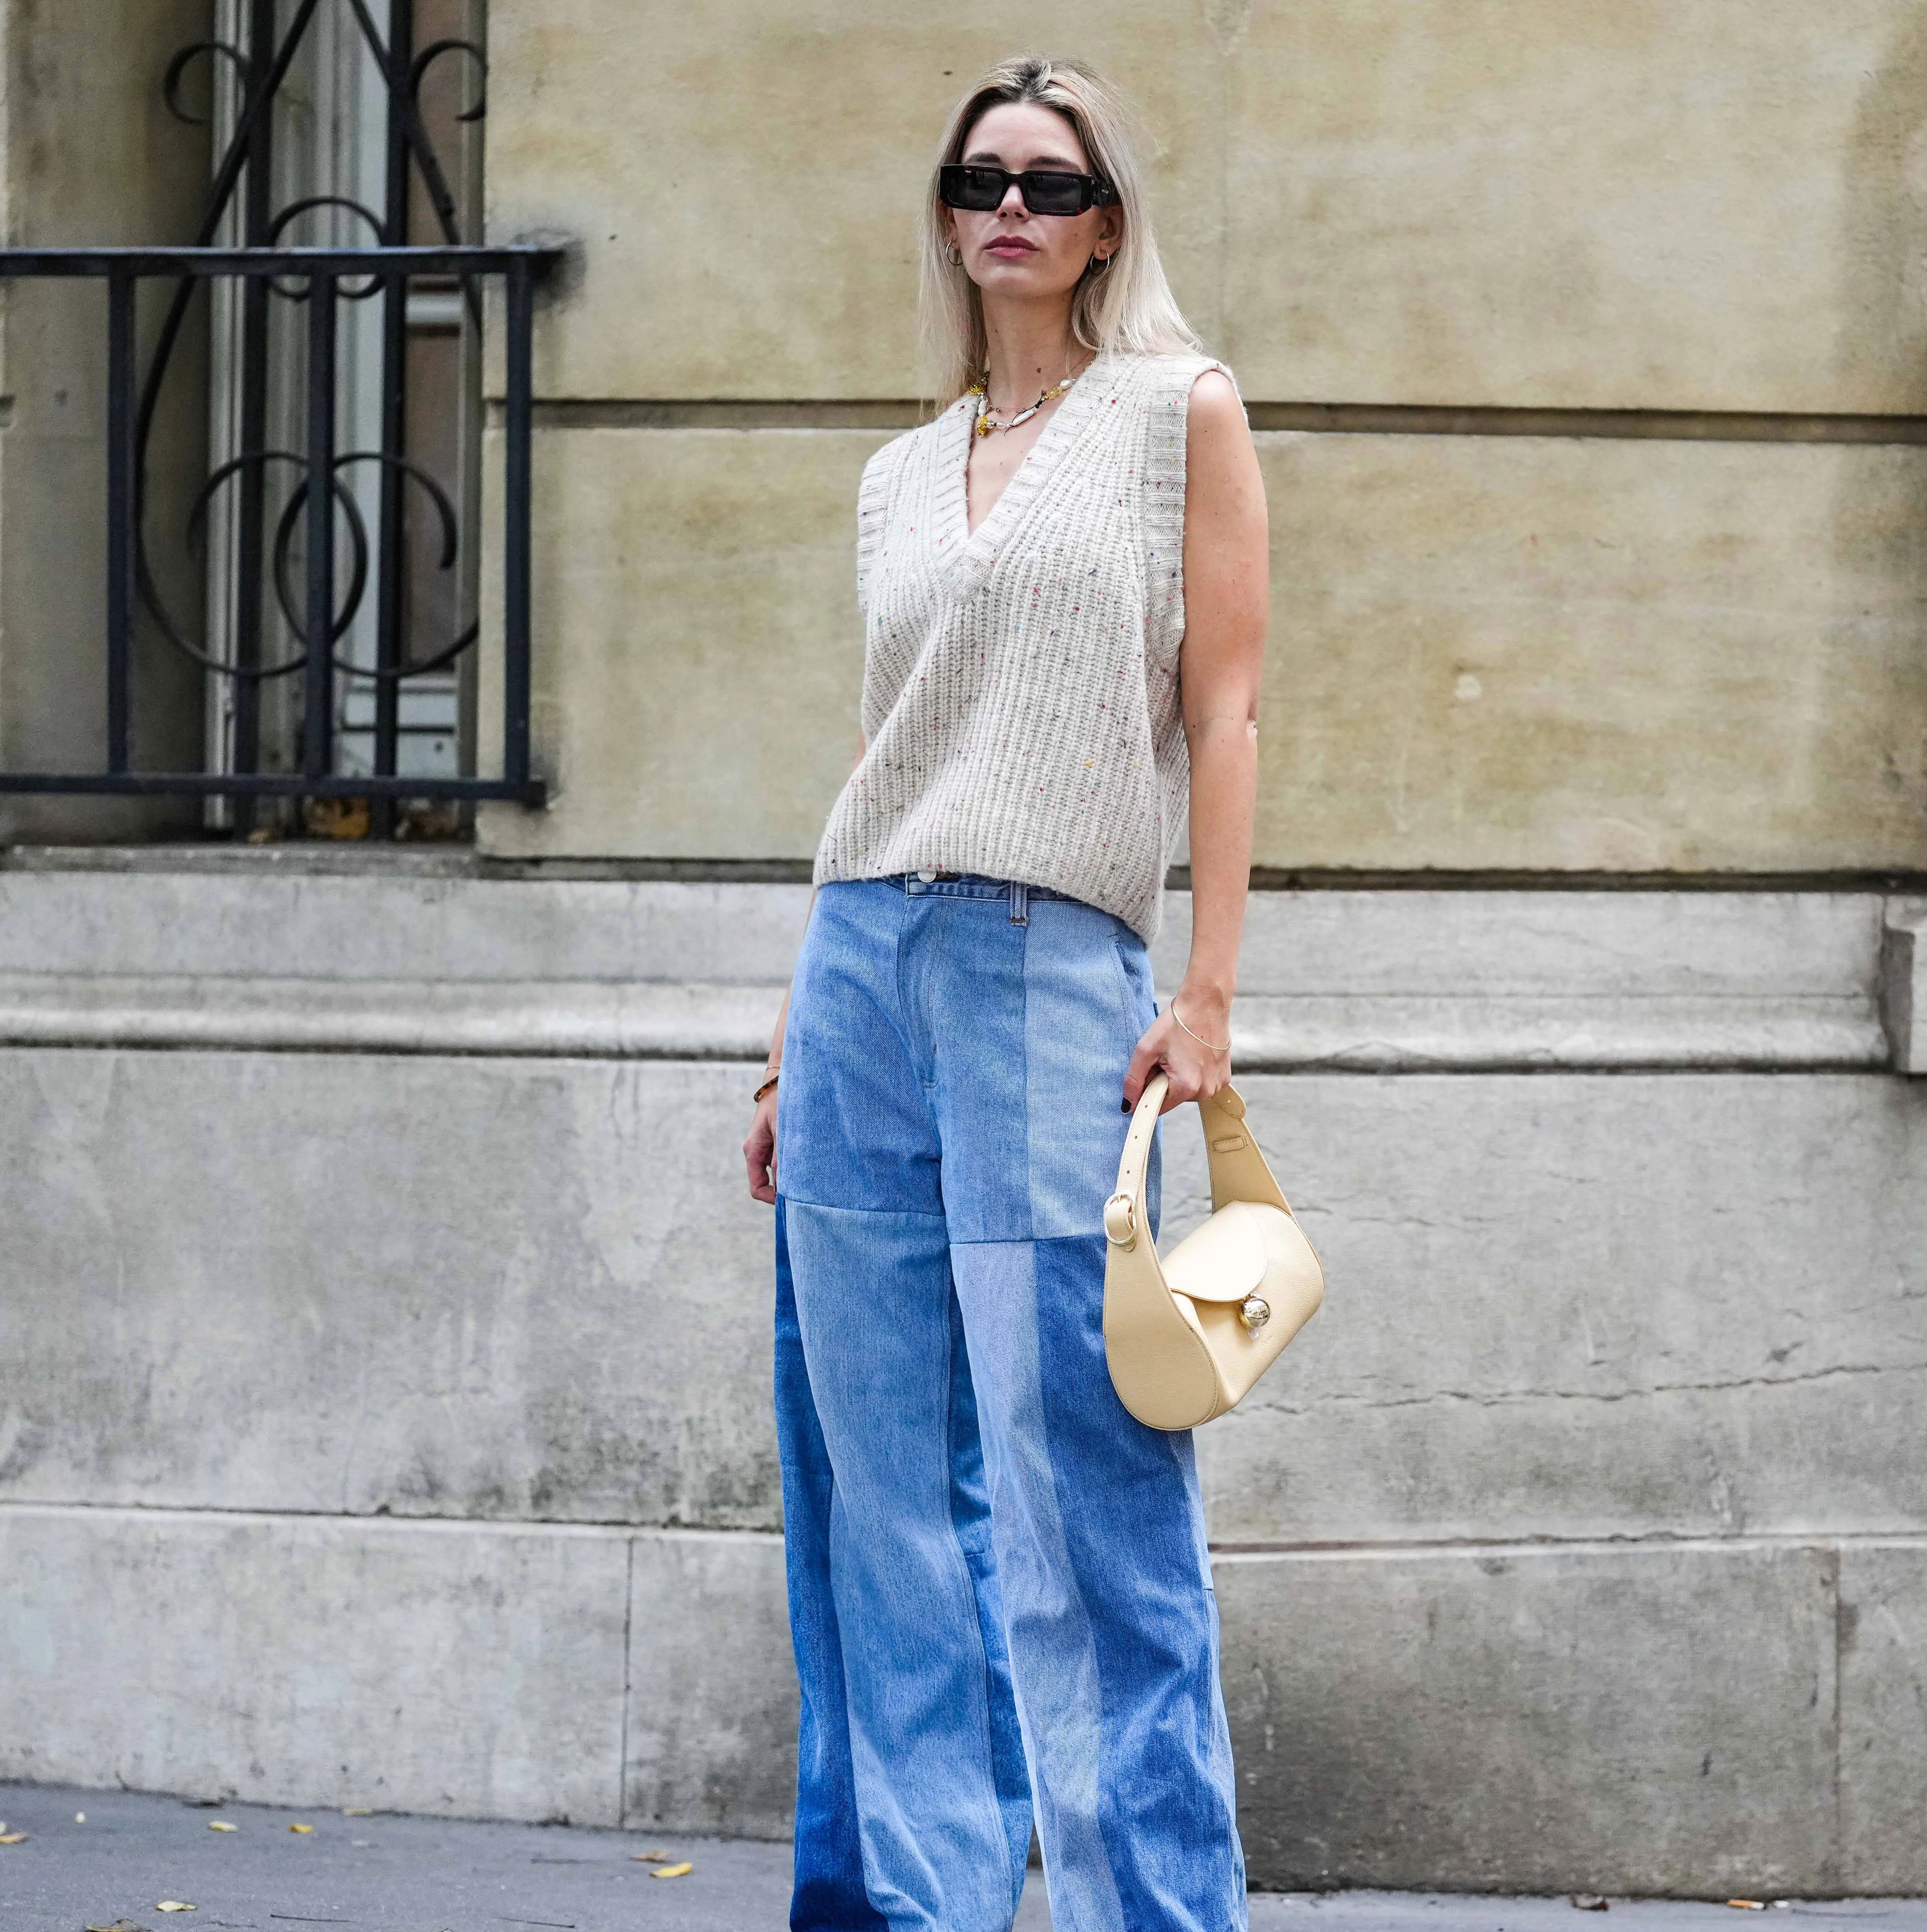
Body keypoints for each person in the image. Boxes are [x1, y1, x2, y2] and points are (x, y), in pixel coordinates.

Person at [738, 51, 1268, 1932]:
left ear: (1106, 216)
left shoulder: (1173, 413)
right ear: (950, 213)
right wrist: (789, 1047)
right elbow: (881, 755)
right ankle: (910, 1906)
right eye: (982, 179)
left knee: (1084, 1497)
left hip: (1050, 968)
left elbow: (1223, 710)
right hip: (862, 966)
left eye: (1051, 181)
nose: (1012, 211)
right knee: (874, 1496)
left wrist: (1204, 994)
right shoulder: (898, 474)